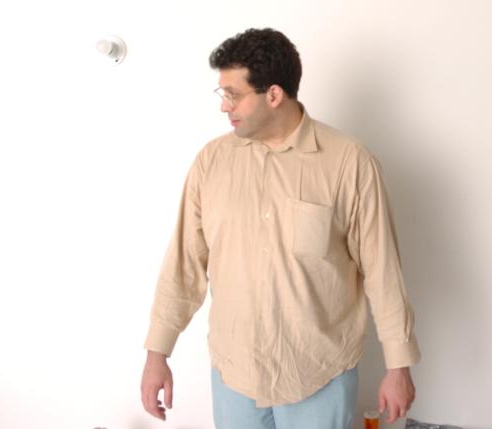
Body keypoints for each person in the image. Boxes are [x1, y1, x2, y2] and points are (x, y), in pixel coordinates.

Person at [140, 28, 421, 429]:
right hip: (234, 376)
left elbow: (383, 271)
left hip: (319, 376)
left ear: (273, 95)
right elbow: (183, 264)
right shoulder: (212, 163)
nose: (223, 106)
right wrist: (157, 354)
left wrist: (398, 366)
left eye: (233, 94)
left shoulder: (349, 163)